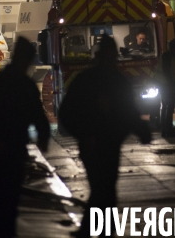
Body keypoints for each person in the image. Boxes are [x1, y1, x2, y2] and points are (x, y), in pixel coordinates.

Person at [59, 34, 151, 238]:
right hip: (99, 145)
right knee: (104, 189)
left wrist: (141, 130)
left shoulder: (89, 80)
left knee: (104, 189)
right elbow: (129, 112)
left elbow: (128, 111)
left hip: (103, 145)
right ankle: (98, 231)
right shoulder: (110, 80)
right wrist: (142, 131)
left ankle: (97, 230)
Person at [0, 36, 50, 238]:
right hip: (14, 152)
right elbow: (38, 117)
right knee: (10, 199)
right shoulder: (25, 87)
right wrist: (43, 138)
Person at [156, 38, 175, 137]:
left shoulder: (170, 56)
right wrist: (173, 84)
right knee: (169, 107)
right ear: (174, 48)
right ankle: (169, 130)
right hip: (166, 85)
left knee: (165, 107)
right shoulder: (168, 56)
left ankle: (165, 130)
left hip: (164, 84)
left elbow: (172, 72)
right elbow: (167, 72)